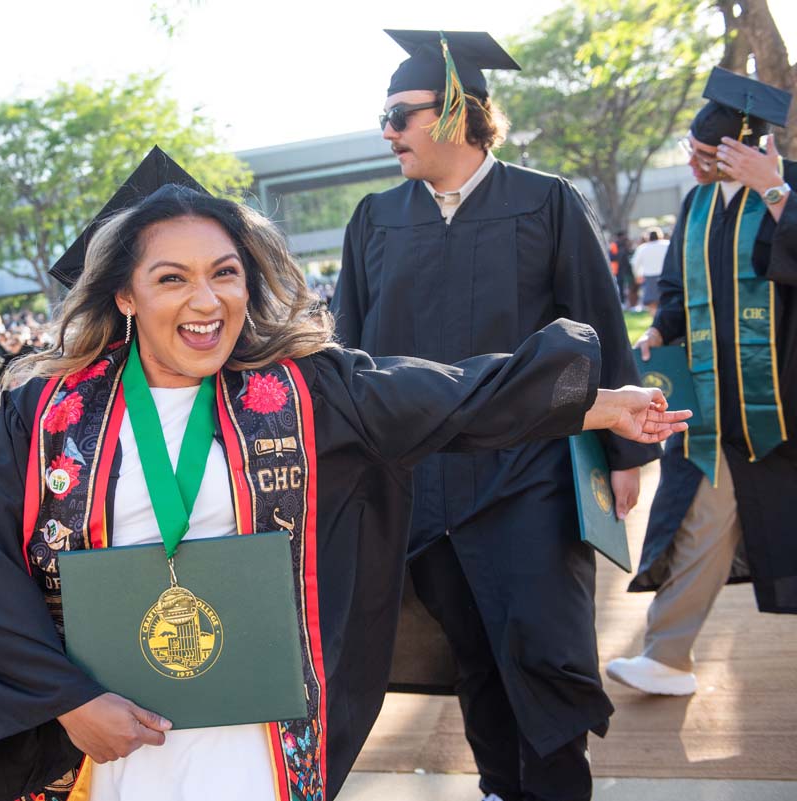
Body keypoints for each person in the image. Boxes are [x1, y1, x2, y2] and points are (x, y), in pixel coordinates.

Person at [0, 159, 689, 801]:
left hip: (251, 733)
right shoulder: (44, 414)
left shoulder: (300, 391)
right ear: (125, 294)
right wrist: (70, 701)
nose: (205, 299)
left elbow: (448, 396)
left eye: (225, 273)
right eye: (171, 278)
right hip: (102, 734)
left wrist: (599, 404)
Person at [330, 30, 664, 801]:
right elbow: (349, 352)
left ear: (457, 111)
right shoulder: (375, 219)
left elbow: (598, 324)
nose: (388, 132)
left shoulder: (544, 202)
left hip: (530, 470)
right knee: (468, 648)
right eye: (384, 117)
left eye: (400, 115)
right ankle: (499, 786)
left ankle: (556, 789)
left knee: (546, 644)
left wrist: (621, 458)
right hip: (421, 478)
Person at [608, 69, 795, 695]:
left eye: (704, 154)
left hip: (785, 404)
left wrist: (775, 190)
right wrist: (661, 330)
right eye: (691, 150)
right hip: (719, 407)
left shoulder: (786, 187)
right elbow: (677, 292)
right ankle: (667, 656)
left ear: (740, 150)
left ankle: (667, 654)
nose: (692, 163)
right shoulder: (697, 205)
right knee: (703, 520)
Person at [631, 228, 670, 314]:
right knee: (667, 299)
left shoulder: (643, 248)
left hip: (650, 277)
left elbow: (635, 263)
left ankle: (655, 318)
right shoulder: (667, 244)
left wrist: (637, 275)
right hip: (666, 275)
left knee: (652, 302)